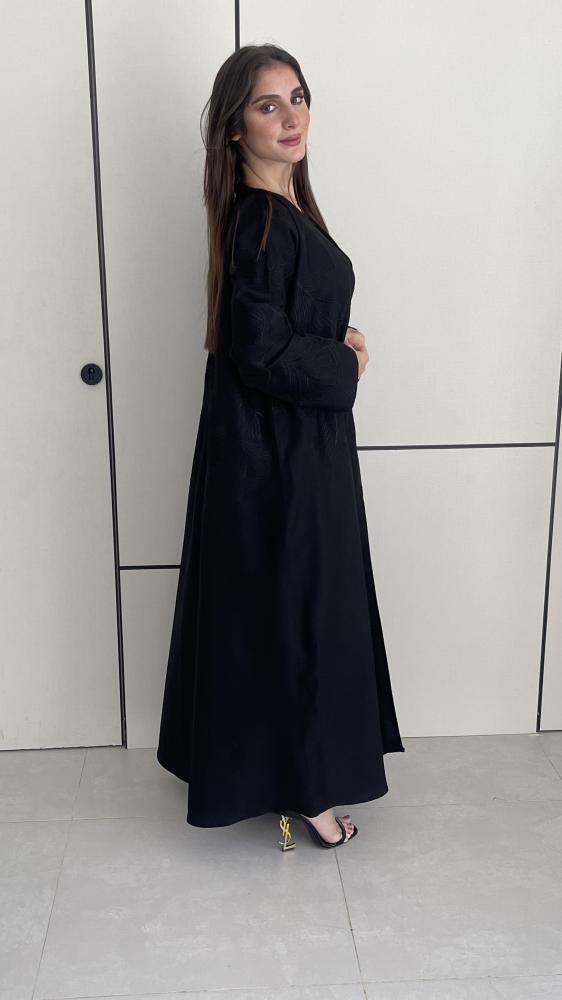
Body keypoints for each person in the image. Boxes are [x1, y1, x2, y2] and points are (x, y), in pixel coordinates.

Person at [156, 43, 405, 851]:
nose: (292, 116)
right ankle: (308, 793)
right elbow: (259, 350)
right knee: (299, 612)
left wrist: (336, 336)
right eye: (268, 104)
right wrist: (346, 361)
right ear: (236, 128)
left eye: (297, 97)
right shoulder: (260, 219)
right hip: (282, 458)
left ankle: (289, 775)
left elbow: (279, 324)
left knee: (288, 609)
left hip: (289, 448)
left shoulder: (278, 213)